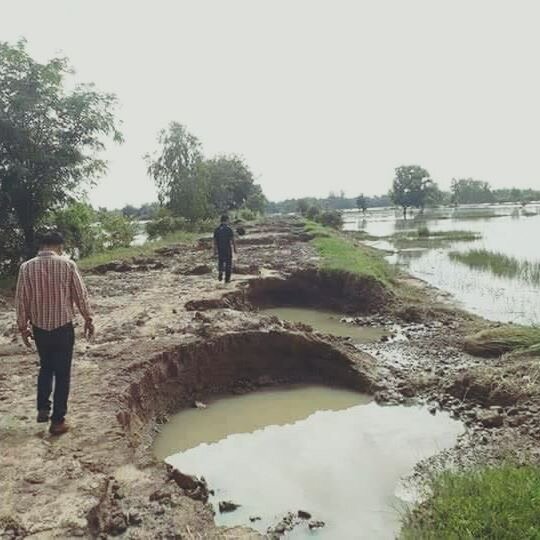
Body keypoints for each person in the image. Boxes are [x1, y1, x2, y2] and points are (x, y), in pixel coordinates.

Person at [15, 230, 94, 435]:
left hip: (40, 328)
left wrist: (23, 327)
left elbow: (21, 300)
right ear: (59, 246)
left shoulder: (26, 267)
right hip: (63, 327)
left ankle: (43, 409)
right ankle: (57, 421)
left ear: (41, 246)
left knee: (46, 366)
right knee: (63, 373)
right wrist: (88, 318)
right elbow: (80, 295)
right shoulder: (67, 264)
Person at [213, 215, 237, 283]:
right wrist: (235, 248)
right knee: (228, 263)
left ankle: (220, 272)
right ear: (226, 220)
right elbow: (232, 240)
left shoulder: (217, 229)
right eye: (228, 220)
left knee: (221, 261)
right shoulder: (229, 229)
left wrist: (215, 250)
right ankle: (227, 279)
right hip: (227, 249)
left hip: (220, 249)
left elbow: (214, 241)